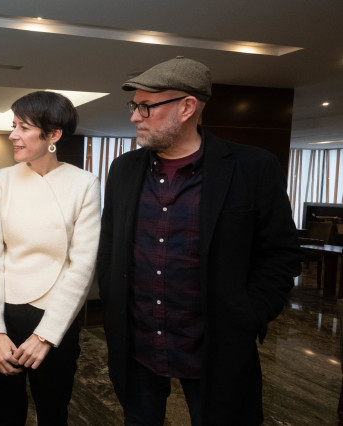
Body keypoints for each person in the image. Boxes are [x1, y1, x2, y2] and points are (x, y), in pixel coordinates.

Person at [97, 56, 303, 426]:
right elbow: (110, 248)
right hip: (137, 344)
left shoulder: (253, 167)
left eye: (146, 107)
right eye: (135, 106)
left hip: (217, 348)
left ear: (187, 107)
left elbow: (280, 253)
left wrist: (248, 315)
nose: (134, 117)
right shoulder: (123, 171)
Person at [0, 91, 101, 425]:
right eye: (13, 125)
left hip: (57, 318)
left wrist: (46, 335)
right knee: (5, 412)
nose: (12, 135)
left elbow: (81, 266)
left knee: (53, 410)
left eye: (23, 127)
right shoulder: (0, 181)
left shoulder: (85, 184)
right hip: (4, 316)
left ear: (53, 135)